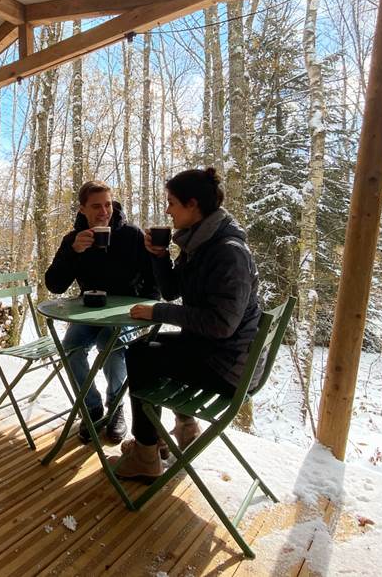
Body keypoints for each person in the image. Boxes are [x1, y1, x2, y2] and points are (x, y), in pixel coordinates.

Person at [115, 167, 262, 482]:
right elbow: (172, 290)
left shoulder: (227, 253)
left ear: (192, 204)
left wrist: (159, 313)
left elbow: (221, 324)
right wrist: (158, 255)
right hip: (218, 353)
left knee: (140, 357)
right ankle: (183, 430)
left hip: (230, 368)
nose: (167, 210)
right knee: (141, 349)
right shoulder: (203, 242)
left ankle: (145, 453)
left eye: (171, 203)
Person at [45, 180, 157, 444]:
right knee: (71, 346)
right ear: (83, 209)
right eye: (96, 206)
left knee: (110, 342)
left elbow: (154, 283)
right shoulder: (73, 240)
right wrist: (72, 253)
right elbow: (54, 285)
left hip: (125, 315)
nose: (103, 211)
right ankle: (92, 407)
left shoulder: (132, 235)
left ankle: (116, 407)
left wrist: (141, 308)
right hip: (88, 311)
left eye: (107, 204)